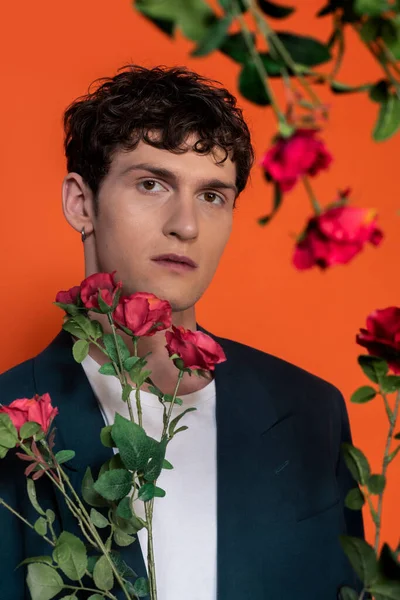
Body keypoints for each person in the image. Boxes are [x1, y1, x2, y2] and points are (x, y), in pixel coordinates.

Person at [0, 64, 364, 600]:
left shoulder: (312, 413)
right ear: (82, 203)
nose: (186, 224)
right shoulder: (8, 416)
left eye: (212, 196)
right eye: (152, 184)